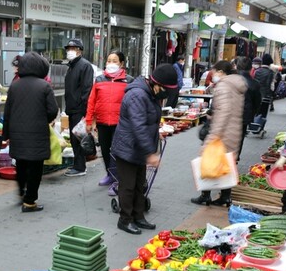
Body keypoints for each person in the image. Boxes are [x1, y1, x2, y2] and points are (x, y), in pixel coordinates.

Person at [112, 64, 176, 234]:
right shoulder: (137, 95)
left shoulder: (150, 94)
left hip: (138, 147)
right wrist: (150, 152)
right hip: (128, 148)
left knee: (140, 185)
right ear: (156, 84)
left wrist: (156, 133)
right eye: (165, 90)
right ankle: (125, 220)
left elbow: (149, 121)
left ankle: (138, 217)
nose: (165, 94)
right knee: (128, 186)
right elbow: (138, 126)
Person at [3, 52, 59, 212]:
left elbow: (7, 113)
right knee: (35, 168)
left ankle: (21, 191)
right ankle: (29, 201)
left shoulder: (15, 85)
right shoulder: (44, 86)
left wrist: (5, 135)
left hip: (17, 133)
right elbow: (52, 110)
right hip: (38, 134)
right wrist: (43, 120)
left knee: (20, 164)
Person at [191, 60, 247, 207]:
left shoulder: (224, 86)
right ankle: (225, 197)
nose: (213, 75)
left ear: (221, 72)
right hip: (234, 130)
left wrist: (213, 136)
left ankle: (206, 195)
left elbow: (223, 113)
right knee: (226, 163)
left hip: (223, 132)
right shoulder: (237, 85)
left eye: (214, 72)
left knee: (210, 160)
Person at [85, 50, 130, 196]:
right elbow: (92, 101)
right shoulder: (99, 79)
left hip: (120, 124)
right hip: (103, 122)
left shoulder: (129, 80)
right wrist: (89, 120)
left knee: (118, 153)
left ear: (122, 64)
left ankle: (118, 181)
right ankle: (110, 175)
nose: (111, 63)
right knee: (105, 151)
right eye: (109, 60)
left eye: (115, 61)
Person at [63, 38, 93, 177]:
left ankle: (80, 167)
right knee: (74, 137)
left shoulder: (84, 65)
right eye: (68, 49)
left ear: (79, 51)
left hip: (79, 109)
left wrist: (84, 110)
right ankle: (77, 164)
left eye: (73, 49)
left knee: (78, 138)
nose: (70, 51)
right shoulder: (71, 66)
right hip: (72, 108)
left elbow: (87, 89)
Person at [234, 56, 261, 161]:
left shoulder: (230, 80)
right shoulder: (254, 83)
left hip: (230, 113)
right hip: (244, 116)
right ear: (251, 68)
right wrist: (252, 114)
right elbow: (257, 102)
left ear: (237, 67)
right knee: (239, 138)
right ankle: (235, 158)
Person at [253, 54, 276, 121]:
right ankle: (260, 127)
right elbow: (268, 84)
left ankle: (254, 125)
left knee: (256, 111)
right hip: (265, 95)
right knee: (263, 113)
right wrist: (269, 95)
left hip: (256, 94)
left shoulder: (257, 71)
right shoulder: (270, 72)